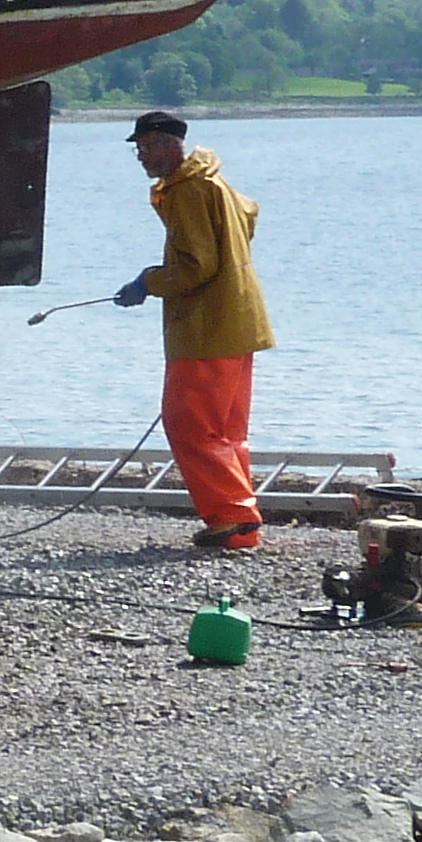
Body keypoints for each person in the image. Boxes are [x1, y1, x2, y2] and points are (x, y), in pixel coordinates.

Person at [114, 108, 271, 552]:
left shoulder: (187, 189)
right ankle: (241, 525)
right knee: (227, 432)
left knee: (190, 425)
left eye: (147, 147)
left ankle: (231, 514)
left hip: (206, 330)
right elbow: (250, 214)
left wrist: (150, 282)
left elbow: (196, 266)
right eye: (138, 149)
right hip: (240, 322)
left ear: (170, 144)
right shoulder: (214, 181)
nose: (142, 156)